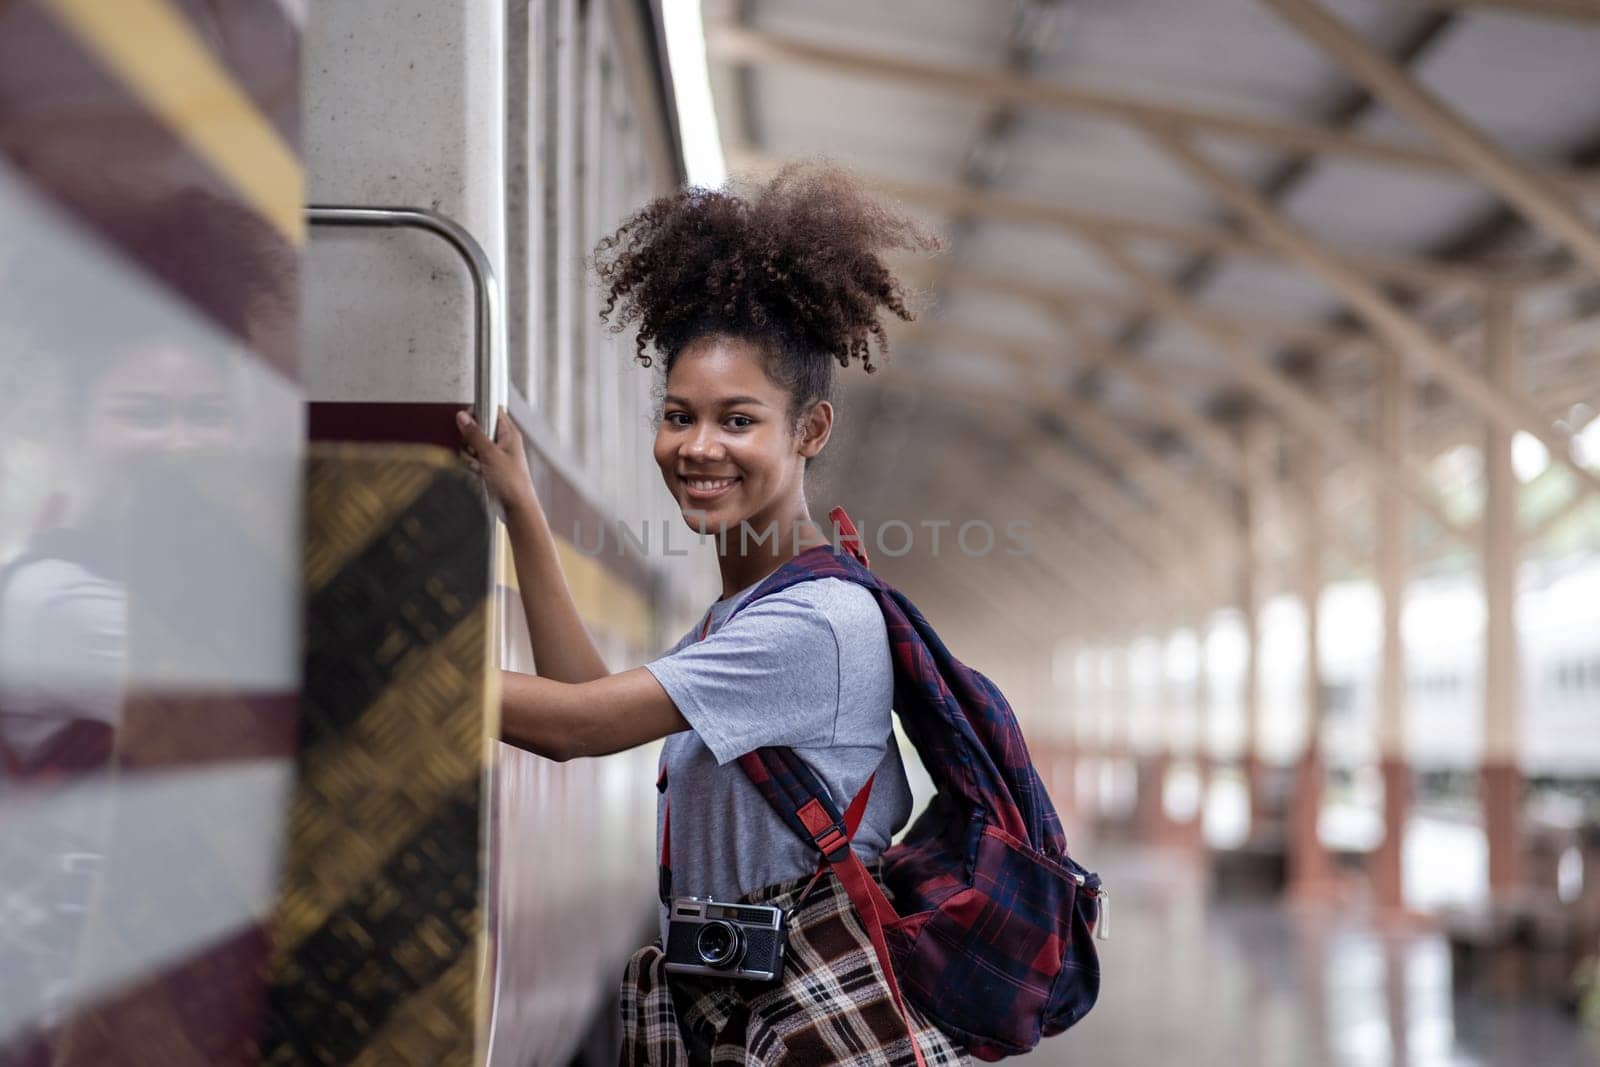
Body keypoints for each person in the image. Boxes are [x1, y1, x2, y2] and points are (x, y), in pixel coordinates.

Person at [456, 163, 965, 1064]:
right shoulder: (742, 617)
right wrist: (526, 513)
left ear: (810, 430)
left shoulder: (811, 627)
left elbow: (575, 726)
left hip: (795, 1026)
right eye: (677, 415)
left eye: (739, 421)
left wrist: (384, 666)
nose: (697, 447)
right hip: (747, 1022)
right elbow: (594, 696)